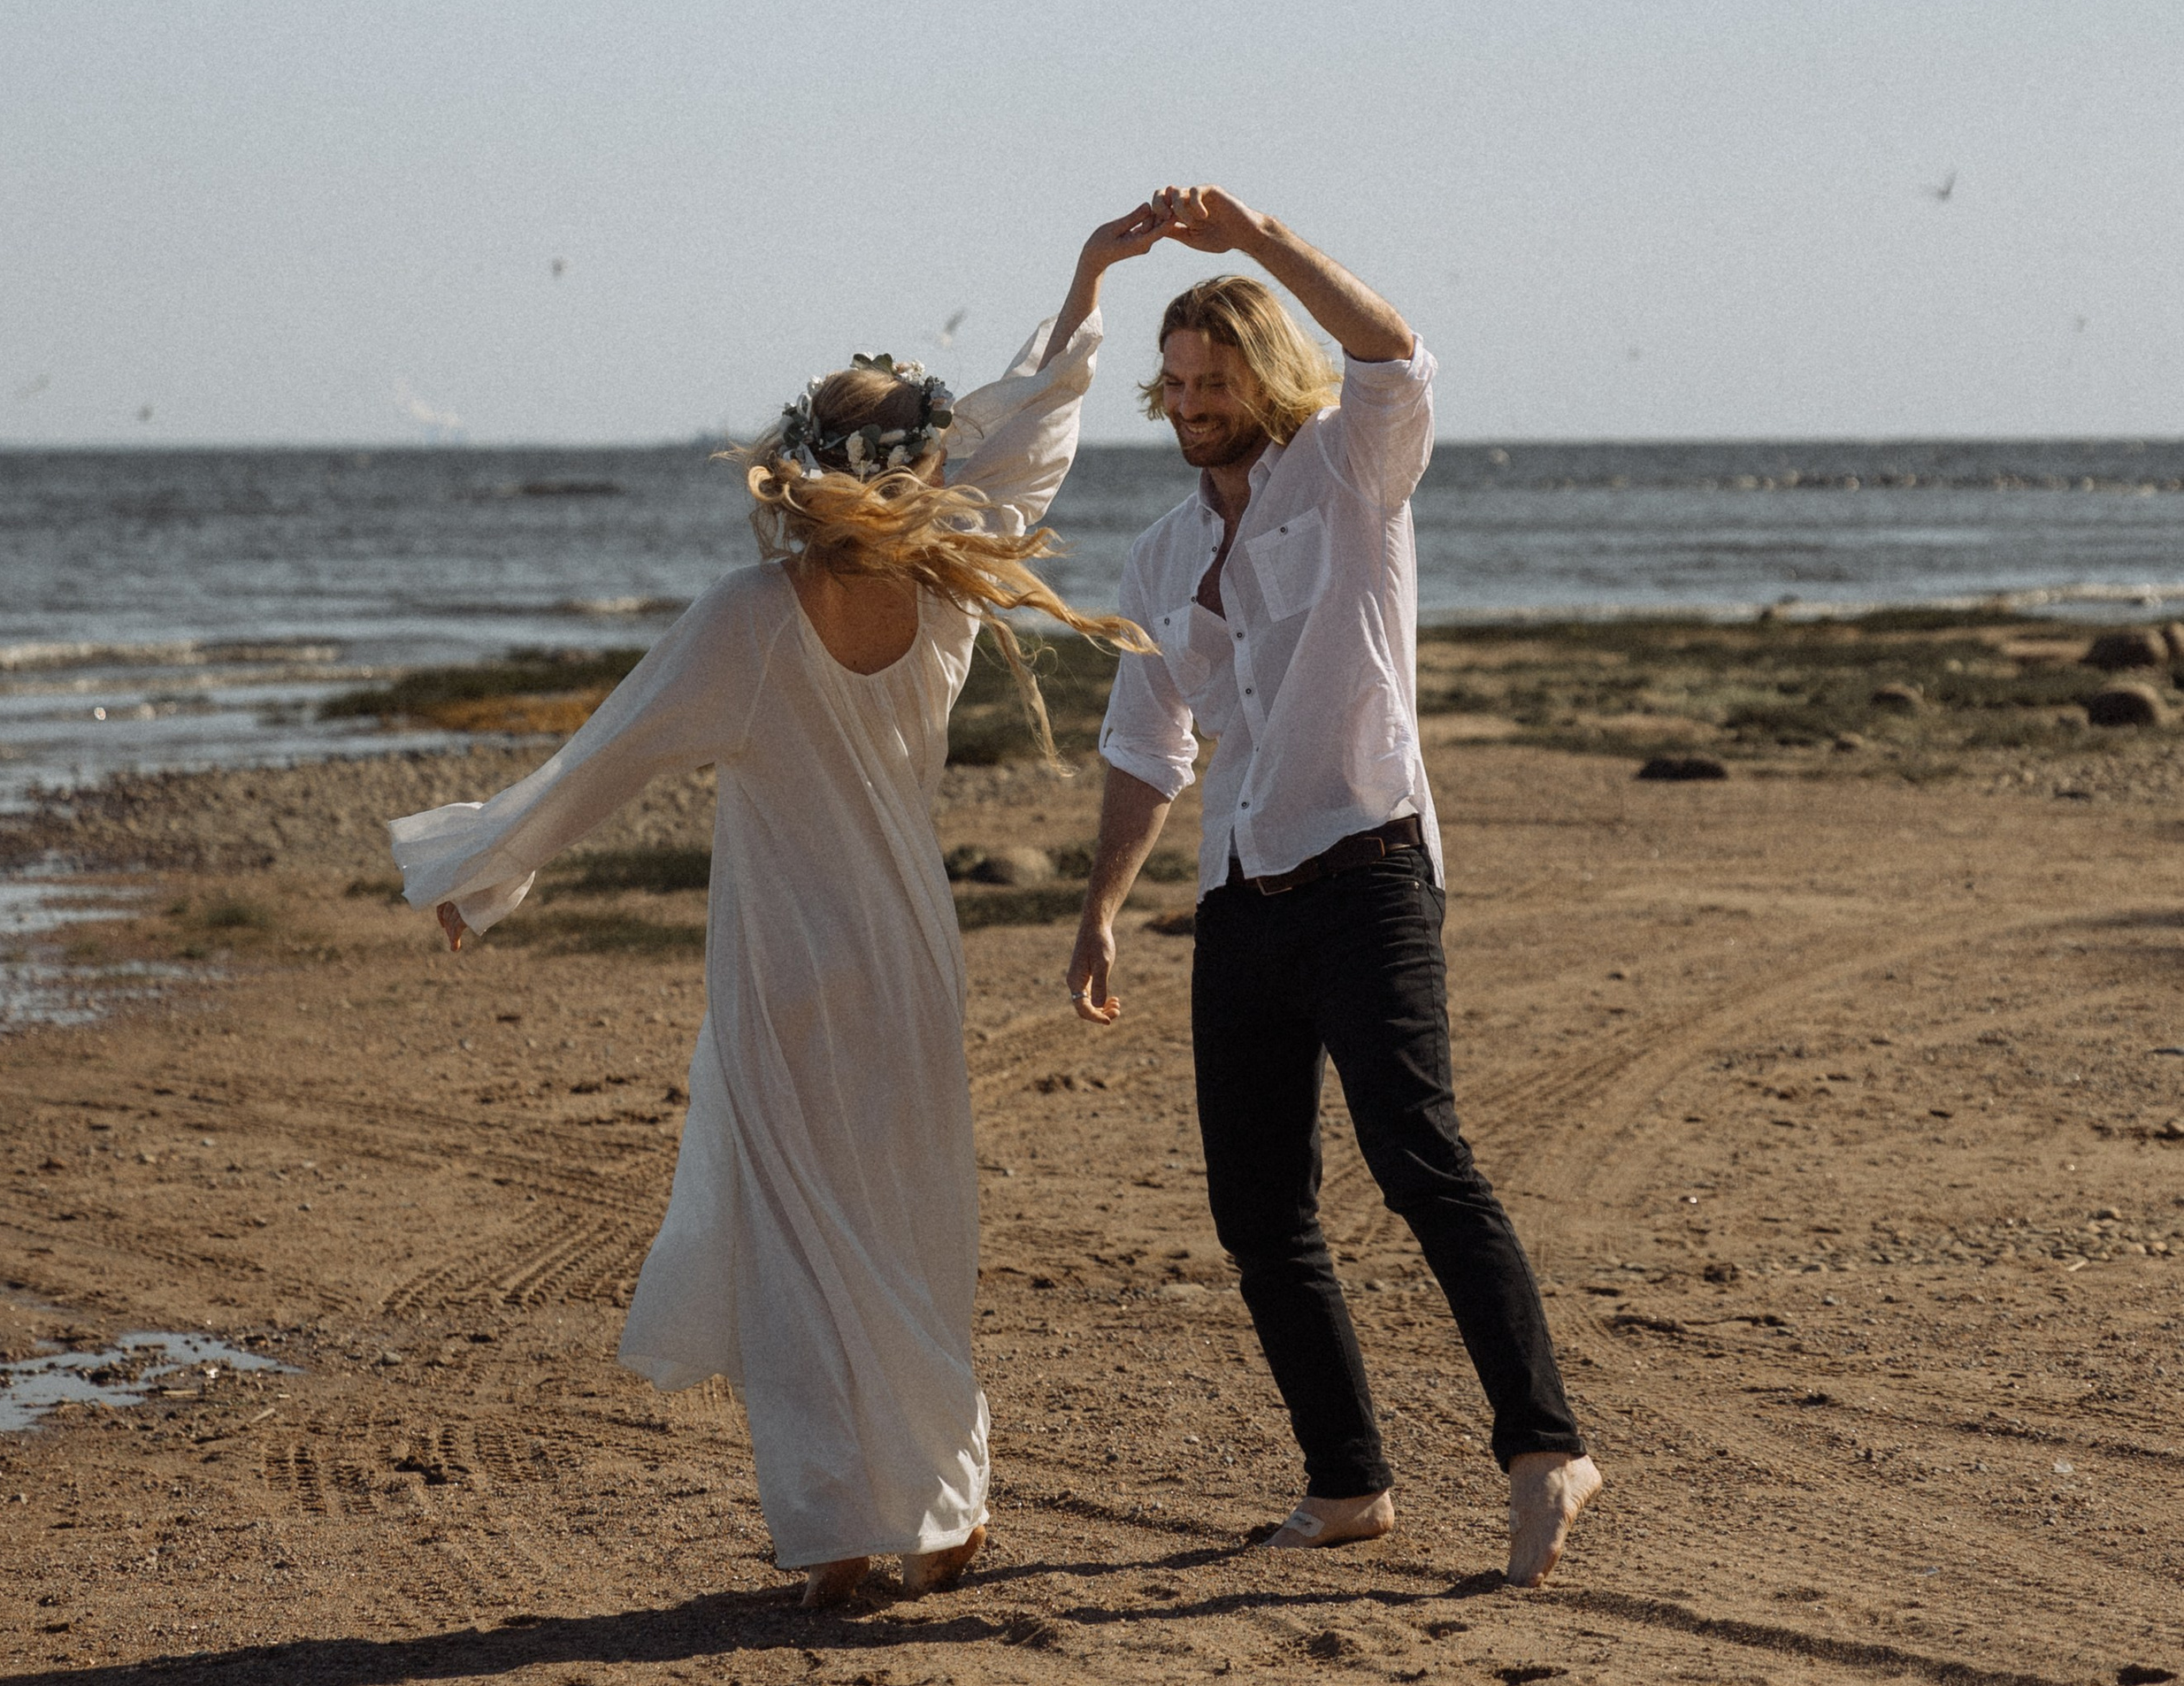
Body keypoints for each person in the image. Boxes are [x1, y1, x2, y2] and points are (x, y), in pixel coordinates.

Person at [387, 206, 1171, 1612]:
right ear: (914, 468)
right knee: (915, 1235)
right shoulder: (954, 584)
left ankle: (835, 1536)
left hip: (789, 961)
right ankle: (942, 1511)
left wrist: (483, 871)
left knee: (804, 1246)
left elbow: (604, 757)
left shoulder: (749, 619)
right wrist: (1089, 277)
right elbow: (1035, 428)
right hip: (910, 956)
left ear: (800, 469)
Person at [1064, 186, 1602, 1590]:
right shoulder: (1163, 553)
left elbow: (1397, 350)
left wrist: (1256, 242)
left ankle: (1545, 1448)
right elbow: (1147, 739)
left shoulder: (1351, 468)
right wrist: (1102, 907)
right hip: (1242, 890)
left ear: (1265, 373)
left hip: (1368, 866)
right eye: (1175, 383)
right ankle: (1348, 1482)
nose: (1191, 402)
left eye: (1215, 377)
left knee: (1420, 1158)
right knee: (1257, 1208)